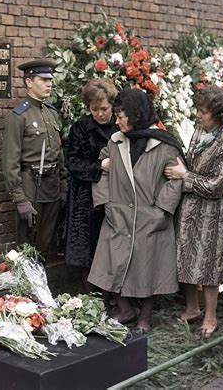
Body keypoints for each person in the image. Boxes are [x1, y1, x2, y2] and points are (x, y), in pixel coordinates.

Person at [88, 88, 184, 332]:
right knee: (107, 264)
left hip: (151, 216)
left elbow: (175, 181)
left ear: (136, 114)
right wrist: (106, 203)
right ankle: (126, 310)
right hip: (117, 214)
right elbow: (101, 175)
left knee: (149, 267)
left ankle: (145, 316)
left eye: (121, 116)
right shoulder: (115, 142)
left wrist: (162, 211)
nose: (116, 121)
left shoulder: (164, 144)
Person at [164, 85, 223, 340]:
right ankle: (192, 308)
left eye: (204, 111)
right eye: (198, 109)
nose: (198, 115)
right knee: (184, 256)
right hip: (189, 207)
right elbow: (190, 160)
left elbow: (216, 186)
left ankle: (211, 316)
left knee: (208, 264)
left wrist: (185, 176)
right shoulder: (200, 131)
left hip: (213, 211)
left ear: (219, 115)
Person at [2, 58, 68, 259]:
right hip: (31, 187)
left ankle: (43, 287)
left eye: (50, 79)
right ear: (29, 82)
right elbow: (10, 161)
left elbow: (59, 152)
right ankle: (27, 289)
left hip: (52, 187)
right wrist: (20, 199)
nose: (49, 83)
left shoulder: (51, 113)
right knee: (27, 248)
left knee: (46, 245)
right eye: (43, 79)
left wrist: (63, 185)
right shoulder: (18, 116)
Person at [64, 79, 118, 292]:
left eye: (104, 109)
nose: (100, 114)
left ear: (112, 105)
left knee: (112, 244)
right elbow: (71, 161)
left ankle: (115, 293)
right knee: (86, 246)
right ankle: (92, 295)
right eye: (94, 109)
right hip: (85, 196)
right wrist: (99, 166)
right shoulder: (81, 128)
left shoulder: (120, 125)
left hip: (116, 193)